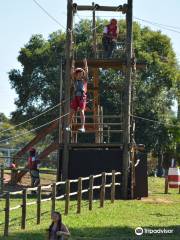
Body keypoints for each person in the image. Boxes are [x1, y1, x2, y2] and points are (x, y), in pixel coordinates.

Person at [66, 58, 88, 133]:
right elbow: (71, 73)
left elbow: (86, 72)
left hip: (82, 97)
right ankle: (69, 126)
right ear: (76, 75)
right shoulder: (74, 80)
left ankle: (83, 127)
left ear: (82, 74)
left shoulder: (84, 80)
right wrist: (72, 65)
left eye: (80, 73)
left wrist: (85, 64)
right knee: (71, 111)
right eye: (77, 73)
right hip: (76, 97)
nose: (79, 74)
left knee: (81, 111)